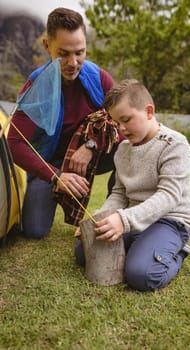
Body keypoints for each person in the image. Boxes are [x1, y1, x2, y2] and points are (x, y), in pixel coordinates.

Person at [75, 79, 190, 292]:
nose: (121, 128)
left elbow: (168, 196)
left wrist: (124, 220)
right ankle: (143, 245)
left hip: (169, 221)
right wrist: (100, 219)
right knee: (82, 253)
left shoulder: (174, 145)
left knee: (141, 275)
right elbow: (119, 193)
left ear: (149, 111)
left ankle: (177, 252)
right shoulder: (123, 150)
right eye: (116, 123)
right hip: (135, 219)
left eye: (126, 119)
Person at [7, 8, 117, 239]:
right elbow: (14, 144)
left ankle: (116, 215)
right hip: (53, 162)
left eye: (80, 52)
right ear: (47, 46)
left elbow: (125, 124)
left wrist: (91, 145)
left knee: (128, 150)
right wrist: (56, 176)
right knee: (34, 230)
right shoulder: (36, 87)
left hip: (92, 154)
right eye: (63, 53)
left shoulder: (98, 77)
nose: (73, 62)